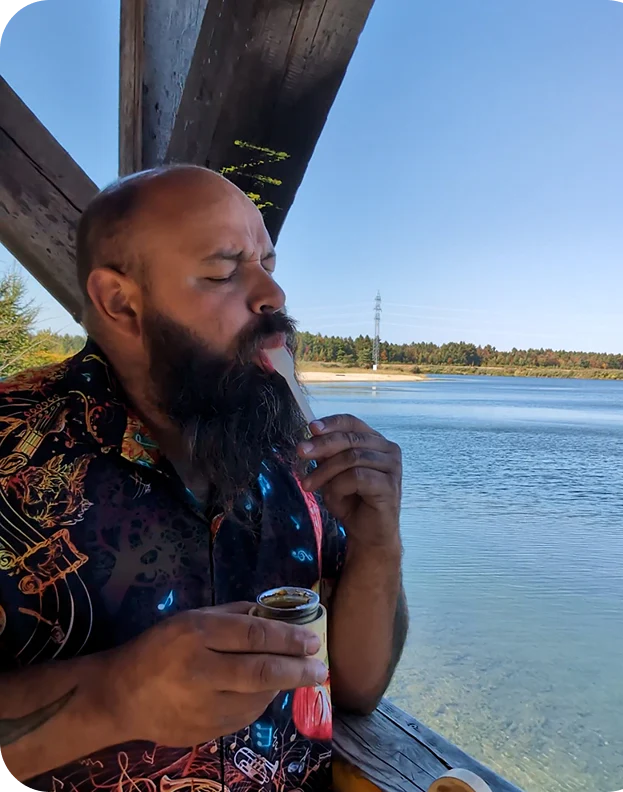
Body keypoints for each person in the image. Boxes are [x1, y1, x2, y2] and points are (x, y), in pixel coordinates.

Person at [0, 165, 408, 792]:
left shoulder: (287, 444)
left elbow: (354, 688)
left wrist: (379, 543)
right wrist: (111, 698)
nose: (273, 293)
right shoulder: (15, 449)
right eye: (223, 272)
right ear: (120, 302)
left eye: (268, 263)